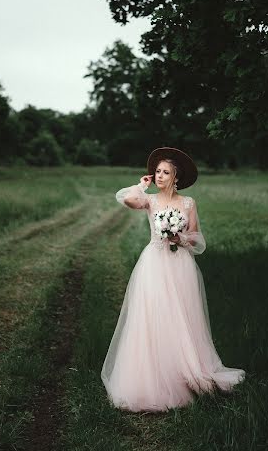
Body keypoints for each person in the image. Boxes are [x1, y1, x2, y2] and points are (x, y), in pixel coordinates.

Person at [101, 147, 246, 412]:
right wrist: (140, 186)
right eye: (157, 171)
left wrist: (181, 238)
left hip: (181, 264)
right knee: (154, 315)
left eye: (165, 172)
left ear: (176, 177)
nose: (159, 176)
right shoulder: (151, 201)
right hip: (155, 263)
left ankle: (186, 371)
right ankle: (152, 378)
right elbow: (127, 200)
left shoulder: (188, 203)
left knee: (182, 316)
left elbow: (197, 237)